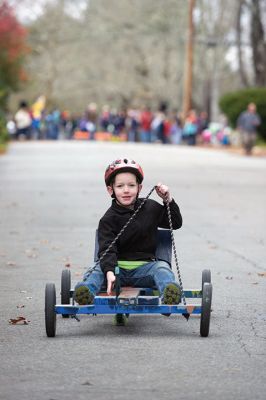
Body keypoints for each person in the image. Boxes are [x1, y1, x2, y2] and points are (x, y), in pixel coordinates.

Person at [74, 158, 183, 306]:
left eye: (131, 185)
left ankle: (169, 295)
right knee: (95, 271)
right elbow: (107, 249)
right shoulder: (108, 219)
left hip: (145, 270)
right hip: (115, 271)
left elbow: (175, 223)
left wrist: (168, 199)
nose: (126, 190)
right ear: (110, 190)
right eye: (120, 186)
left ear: (139, 187)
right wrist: (110, 272)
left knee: (162, 269)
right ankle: (86, 292)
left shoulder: (150, 207)